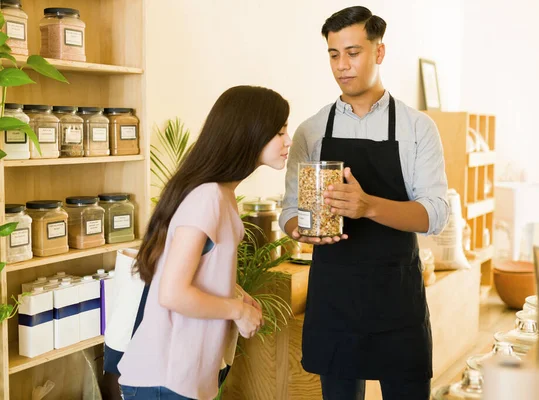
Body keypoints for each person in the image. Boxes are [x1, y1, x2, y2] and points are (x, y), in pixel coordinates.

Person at [280, 6, 449, 400]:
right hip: (334, 301)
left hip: (397, 300)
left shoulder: (416, 128)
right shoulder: (312, 131)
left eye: (353, 52)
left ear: (379, 52)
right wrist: (301, 230)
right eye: (334, 54)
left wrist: (367, 206)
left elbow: (436, 214)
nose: (342, 65)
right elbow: (290, 210)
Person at [118, 85, 292, 400]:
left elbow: (198, 269)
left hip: (181, 379)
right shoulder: (207, 197)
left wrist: (237, 295)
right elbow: (172, 293)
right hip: (164, 381)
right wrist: (237, 311)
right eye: (280, 132)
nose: (288, 141)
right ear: (250, 133)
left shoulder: (221, 194)